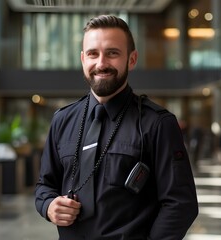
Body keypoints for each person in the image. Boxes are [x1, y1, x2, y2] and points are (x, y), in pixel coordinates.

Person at [35, 15, 198, 239]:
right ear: (83, 59)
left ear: (131, 59)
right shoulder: (62, 120)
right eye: (93, 53)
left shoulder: (158, 123)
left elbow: (181, 204)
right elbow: (45, 185)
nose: (101, 63)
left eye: (112, 53)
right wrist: (49, 206)